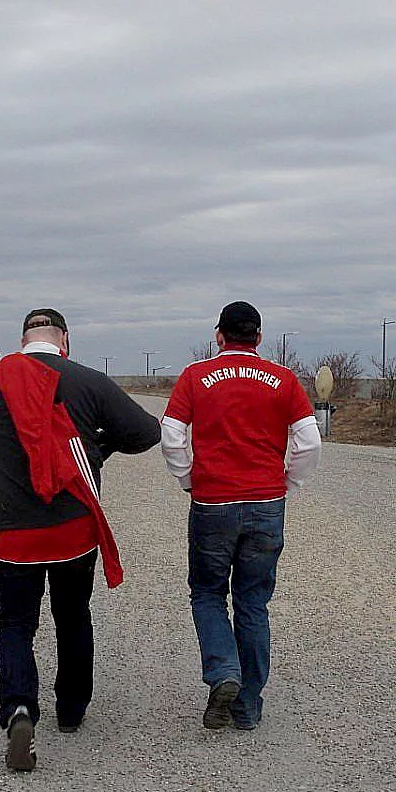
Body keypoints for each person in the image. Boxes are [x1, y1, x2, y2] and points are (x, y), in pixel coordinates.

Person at [0, 307, 160, 772]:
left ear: (22, 338)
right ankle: (71, 710)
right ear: (65, 340)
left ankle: (19, 709)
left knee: (16, 624)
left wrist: (7, 447)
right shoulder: (86, 380)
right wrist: (97, 447)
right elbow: (146, 432)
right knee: (72, 614)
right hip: (73, 528)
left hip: (14, 530)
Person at [160, 301, 321, 731]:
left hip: (212, 502)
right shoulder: (283, 380)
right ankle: (247, 705)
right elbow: (310, 441)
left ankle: (223, 672)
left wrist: (188, 479)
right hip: (266, 503)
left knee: (209, 593)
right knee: (253, 601)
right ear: (259, 338)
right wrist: (290, 483)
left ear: (219, 336)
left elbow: (172, 435)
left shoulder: (196, 377)